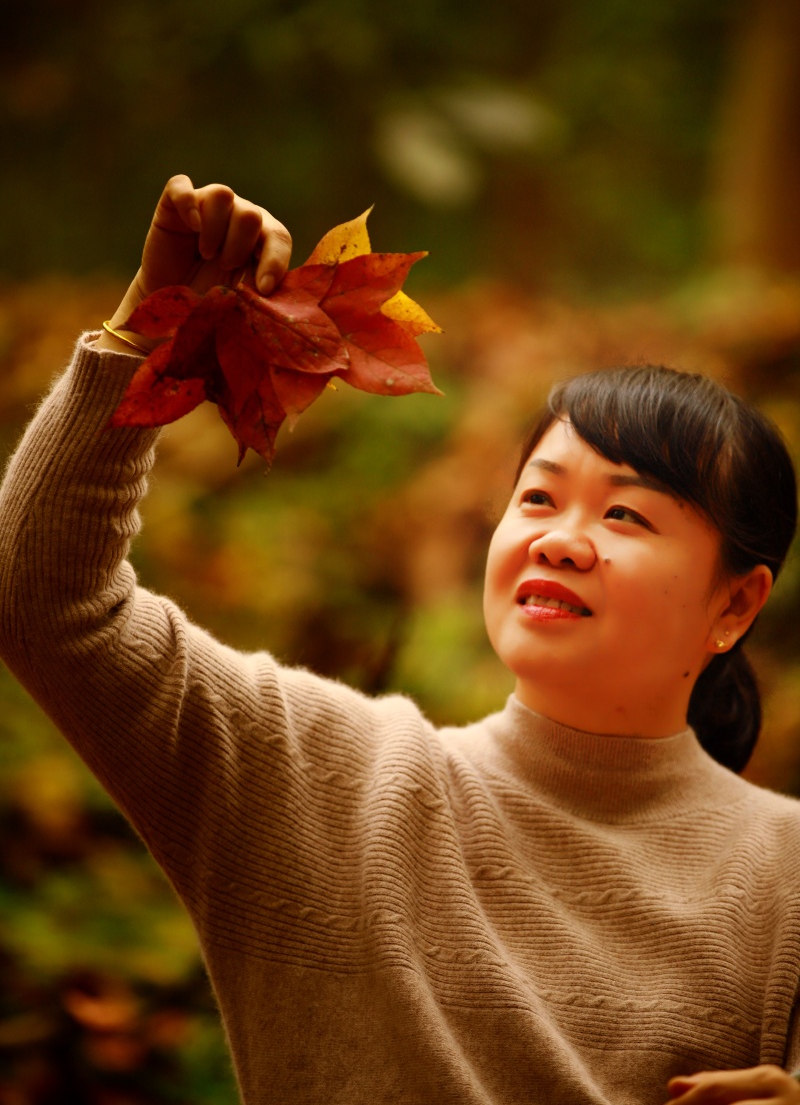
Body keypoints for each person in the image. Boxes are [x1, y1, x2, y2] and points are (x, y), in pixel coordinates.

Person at [1, 174, 799, 1105]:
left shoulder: (785, 877)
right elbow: (44, 599)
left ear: (735, 606)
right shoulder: (315, 775)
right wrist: (149, 330)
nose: (558, 538)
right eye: (537, 496)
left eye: (626, 514)